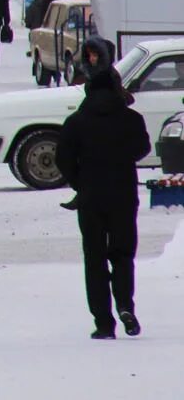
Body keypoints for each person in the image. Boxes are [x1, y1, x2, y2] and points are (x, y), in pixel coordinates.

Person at [57, 65, 150, 339]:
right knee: (122, 254)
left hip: (90, 198)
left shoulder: (76, 121)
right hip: (123, 195)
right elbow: (143, 148)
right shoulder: (131, 118)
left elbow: (63, 158)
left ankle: (103, 322)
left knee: (95, 259)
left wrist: (80, 181)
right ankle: (125, 305)